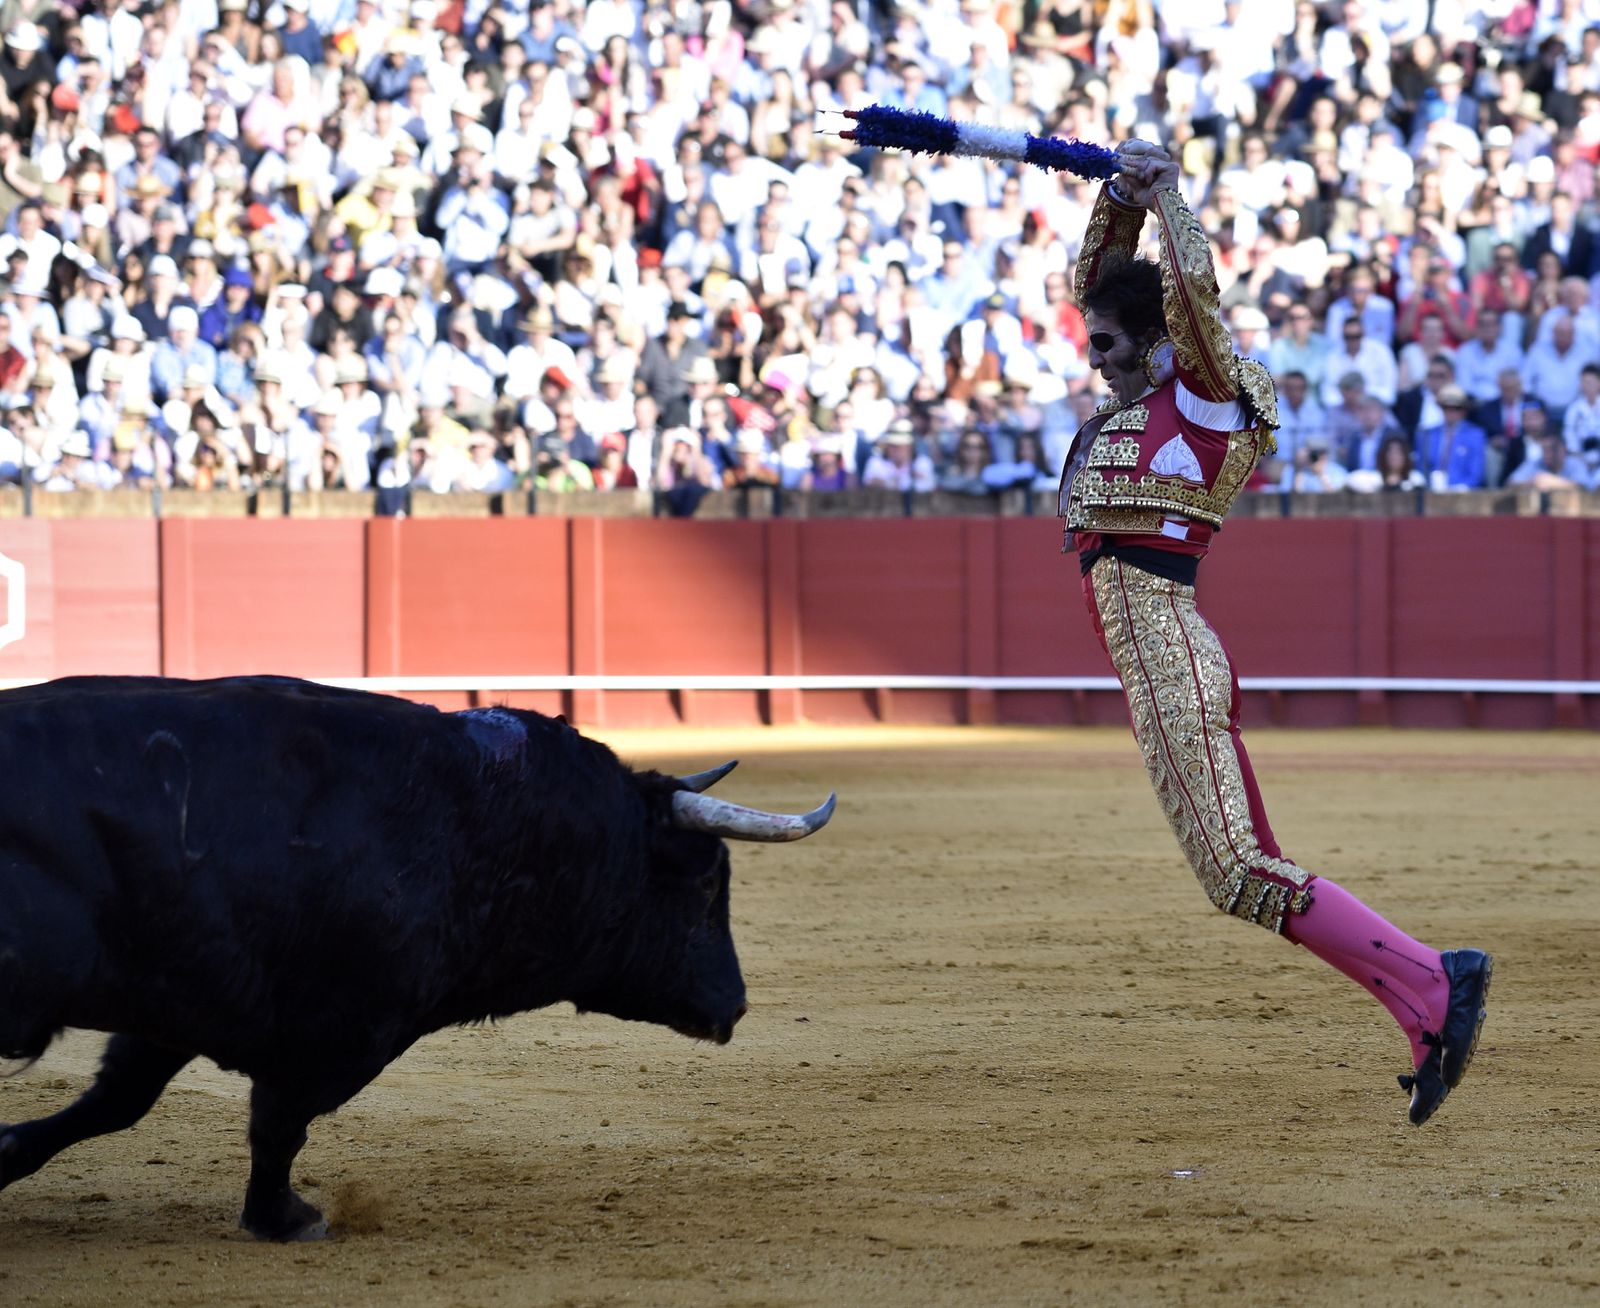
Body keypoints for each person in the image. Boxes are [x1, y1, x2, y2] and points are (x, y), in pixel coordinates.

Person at [1059, 139, 1491, 1127]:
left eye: (1109, 346)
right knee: (1245, 862)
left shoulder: (1202, 390)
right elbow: (1104, 288)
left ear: (1160, 344)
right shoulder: (1155, 391)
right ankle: (1425, 1006)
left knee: (1238, 869)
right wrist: (1118, 197)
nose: (1098, 361)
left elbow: (1190, 297)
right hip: (1159, 652)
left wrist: (1168, 196)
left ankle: (1436, 976)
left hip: (1166, 647)